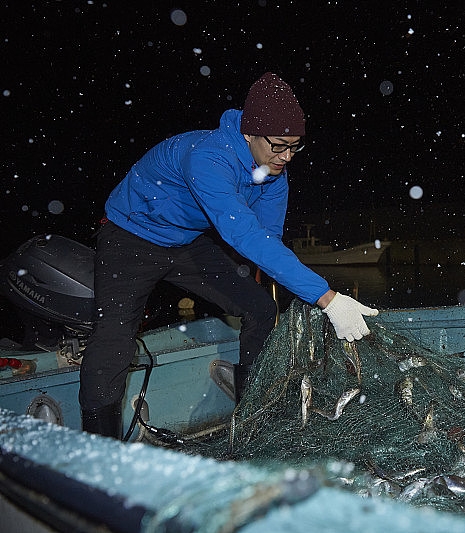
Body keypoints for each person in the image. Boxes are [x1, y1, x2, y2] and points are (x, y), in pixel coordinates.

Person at [79, 72, 378, 438]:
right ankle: (98, 445)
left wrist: (272, 279)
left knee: (261, 308)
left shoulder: (273, 173)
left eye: (295, 147)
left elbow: (267, 239)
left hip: (186, 241)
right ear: (250, 133)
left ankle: (251, 417)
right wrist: (327, 297)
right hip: (130, 238)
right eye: (279, 145)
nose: (286, 157)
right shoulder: (207, 157)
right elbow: (242, 233)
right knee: (113, 340)